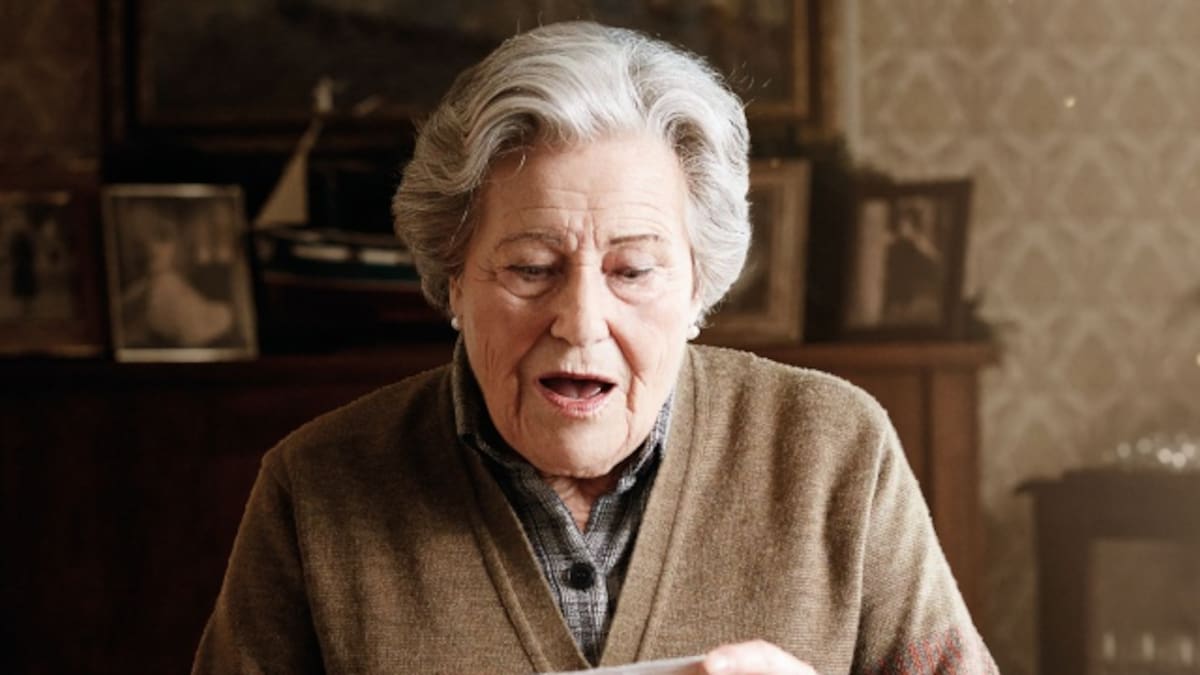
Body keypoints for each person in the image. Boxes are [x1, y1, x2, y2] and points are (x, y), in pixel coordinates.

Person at [194, 21, 997, 674]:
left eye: (633, 270)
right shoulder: (316, 487)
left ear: (699, 287)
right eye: (531, 268)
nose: (580, 322)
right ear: (454, 277)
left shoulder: (835, 451)